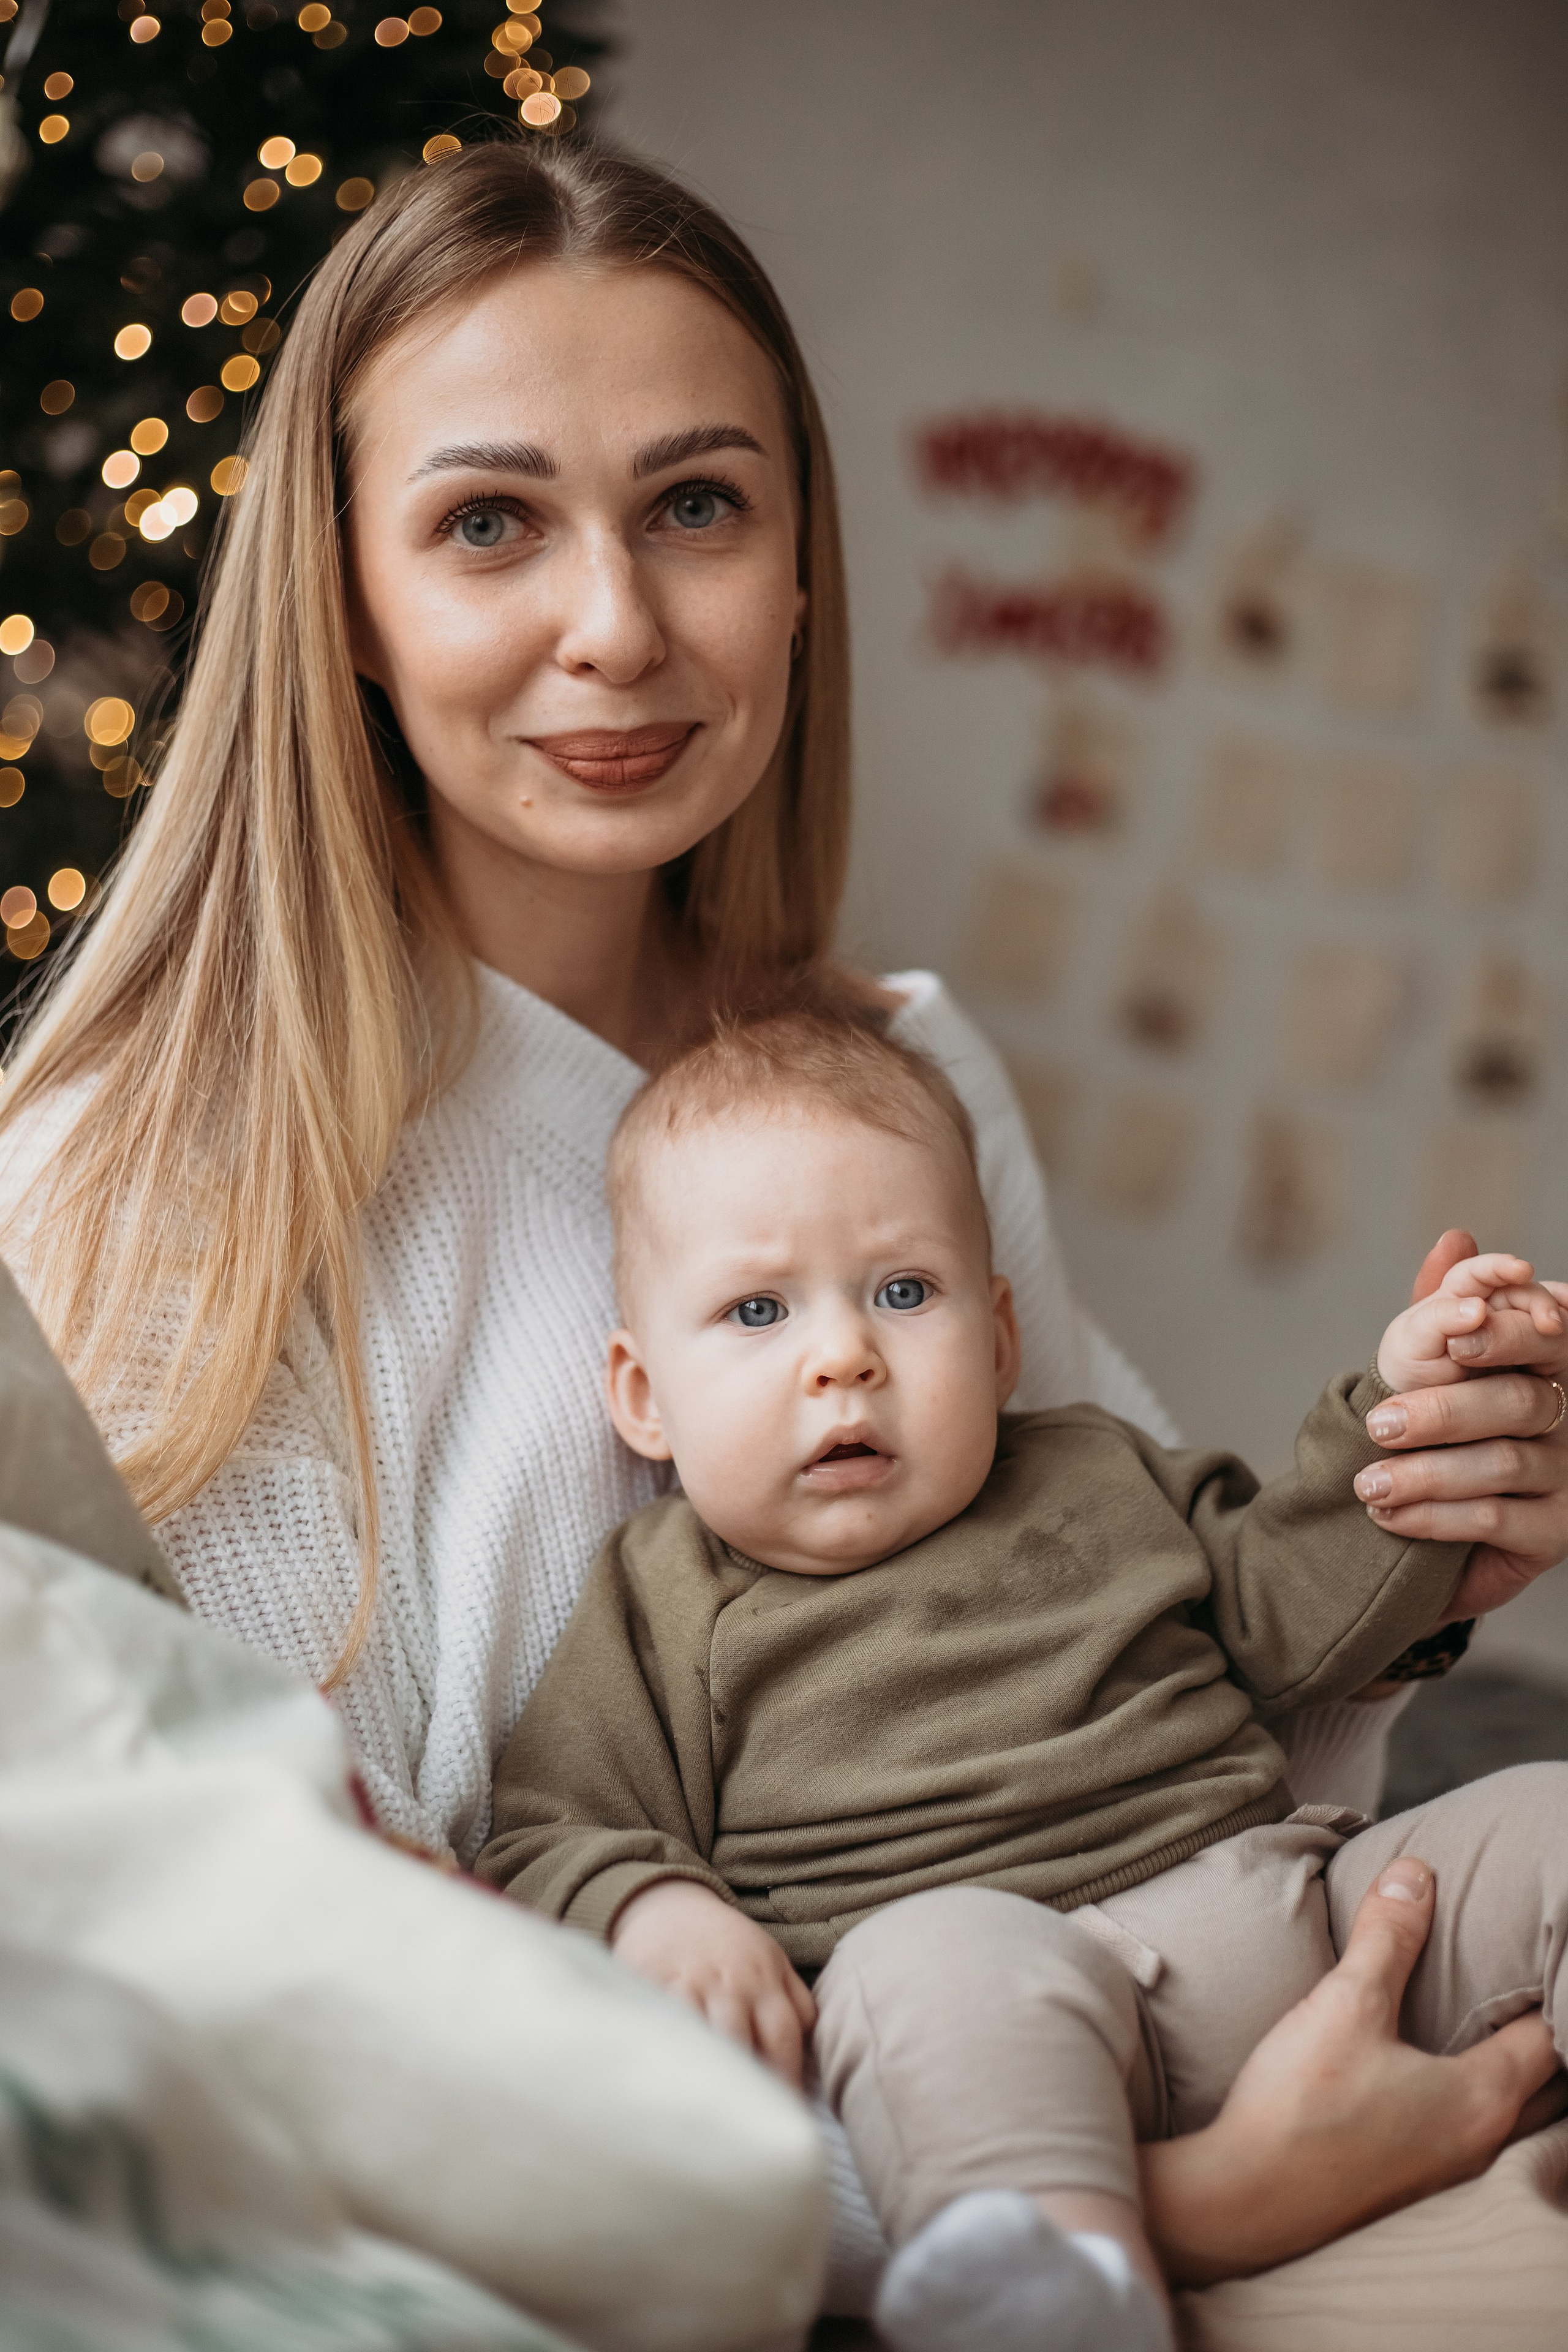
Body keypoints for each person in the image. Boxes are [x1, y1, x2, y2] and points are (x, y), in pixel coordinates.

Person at [0, 137, 1562, 2290]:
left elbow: (1154, 1681)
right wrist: (1171, 2213)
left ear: (802, 562)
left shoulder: (902, 1072)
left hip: (1199, 2042)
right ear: (341, 596)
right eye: (486, 524)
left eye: (698, 508)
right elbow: (313, 2005)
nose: (619, 628)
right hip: (753, 2262)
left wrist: (1424, 1544)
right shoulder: (138, 1183)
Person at [478, 1001, 1568, 2352]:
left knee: (1544, 1815)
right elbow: (549, 1825)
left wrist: (1398, 1419)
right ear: (644, 1396)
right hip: (1007, 1998)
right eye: (757, 1310)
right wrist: (655, 1908)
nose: (843, 1355)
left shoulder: (1093, 1469)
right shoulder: (664, 1601)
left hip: (1301, 1909)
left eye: (903, 1291)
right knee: (918, 1966)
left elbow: (1289, 1606)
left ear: (997, 1339)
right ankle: (1059, 2289)